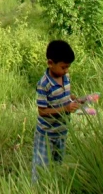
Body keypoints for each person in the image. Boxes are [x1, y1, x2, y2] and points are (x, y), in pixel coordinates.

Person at [32, 39, 82, 182]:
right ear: (50, 63)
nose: (66, 71)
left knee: (58, 163)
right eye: (63, 67)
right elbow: (42, 111)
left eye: (68, 67)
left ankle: (54, 185)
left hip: (62, 130)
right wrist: (65, 108)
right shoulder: (44, 84)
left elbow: (66, 95)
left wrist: (74, 99)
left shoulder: (65, 78)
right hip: (46, 133)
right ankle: (35, 189)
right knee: (41, 165)